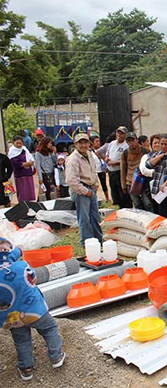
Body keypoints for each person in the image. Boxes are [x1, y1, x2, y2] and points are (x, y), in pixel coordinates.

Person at [0, 238, 64, 381]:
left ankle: (26, 368)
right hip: (35, 311)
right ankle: (56, 357)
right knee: (49, 329)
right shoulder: (21, 266)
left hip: (12, 318)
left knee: (21, 340)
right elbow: (33, 278)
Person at [65, 133, 103, 246]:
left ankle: (98, 240)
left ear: (88, 144)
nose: (83, 145)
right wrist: (85, 192)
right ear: (75, 144)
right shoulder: (73, 159)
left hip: (90, 188)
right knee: (84, 218)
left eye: (85, 142)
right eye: (80, 143)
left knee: (95, 217)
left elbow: (93, 170)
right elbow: (71, 181)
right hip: (81, 190)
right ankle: (87, 242)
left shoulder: (89, 154)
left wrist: (95, 183)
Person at [120, 132, 151, 211]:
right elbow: (123, 169)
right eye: (129, 141)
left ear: (137, 140)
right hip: (131, 182)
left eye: (133, 140)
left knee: (147, 203)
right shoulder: (125, 153)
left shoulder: (145, 150)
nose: (131, 143)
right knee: (137, 204)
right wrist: (123, 185)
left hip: (143, 181)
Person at [105, 126, 131, 208]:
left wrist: (115, 162)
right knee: (114, 191)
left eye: (122, 133)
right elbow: (107, 154)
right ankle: (118, 205)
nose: (119, 135)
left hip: (120, 172)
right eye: (118, 133)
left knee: (122, 192)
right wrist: (106, 159)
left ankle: (125, 207)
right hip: (111, 172)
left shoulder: (126, 145)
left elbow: (128, 160)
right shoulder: (112, 143)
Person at [8, 136, 36, 202]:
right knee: (22, 192)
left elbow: (31, 160)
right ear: (13, 143)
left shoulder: (24, 149)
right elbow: (16, 163)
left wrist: (28, 163)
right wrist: (26, 164)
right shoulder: (12, 151)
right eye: (17, 143)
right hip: (20, 175)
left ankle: (30, 204)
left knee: (29, 191)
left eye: (20, 143)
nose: (19, 145)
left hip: (28, 173)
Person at [139, 134, 161, 213]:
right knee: (153, 207)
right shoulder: (146, 156)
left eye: (159, 143)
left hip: (165, 187)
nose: (157, 145)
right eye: (155, 143)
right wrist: (155, 173)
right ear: (151, 145)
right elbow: (143, 170)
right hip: (151, 187)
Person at [34, 136, 57, 201]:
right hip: (44, 173)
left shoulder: (50, 152)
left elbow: (55, 161)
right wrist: (40, 178)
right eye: (49, 143)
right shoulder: (38, 153)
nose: (51, 145)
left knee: (52, 190)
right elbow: (38, 165)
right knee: (46, 190)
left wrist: (54, 153)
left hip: (51, 173)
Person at [90, 135, 110, 202]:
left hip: (101, 170)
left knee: (104, 184)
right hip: (94, 171)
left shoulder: (102, 150)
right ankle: (94, 198)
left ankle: (107, 198)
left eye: (99, 141)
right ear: (92, 143)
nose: (98, 143)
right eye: (96, 141)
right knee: (95, 185)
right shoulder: (90, 152)